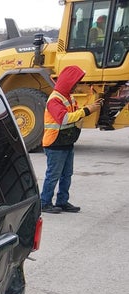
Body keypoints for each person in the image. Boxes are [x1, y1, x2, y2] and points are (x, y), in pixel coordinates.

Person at [40, 65, 102, 213]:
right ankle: (45, 203)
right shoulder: (55, 100)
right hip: (55, 143)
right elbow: (64, 119)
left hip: (66, 142)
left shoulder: (69, 97)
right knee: (53, 175)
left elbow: (76, 114)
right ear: (68, 82)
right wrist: (87, 110)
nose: (76, 86)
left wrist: (88, 108)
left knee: (66, 174)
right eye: (75, 83)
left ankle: (62, 202)